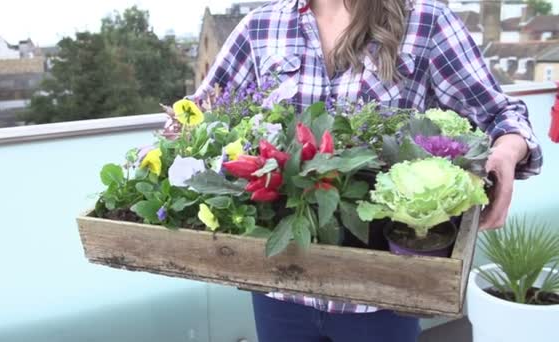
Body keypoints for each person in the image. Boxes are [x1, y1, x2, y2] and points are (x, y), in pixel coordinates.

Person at [189, 0, 542, 341]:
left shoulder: (426, 21)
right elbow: (204, 113)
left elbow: (501, 115)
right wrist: (179, 131)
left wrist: (508, 150)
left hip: (381, 290)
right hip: (279, 284)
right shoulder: (261, 27)